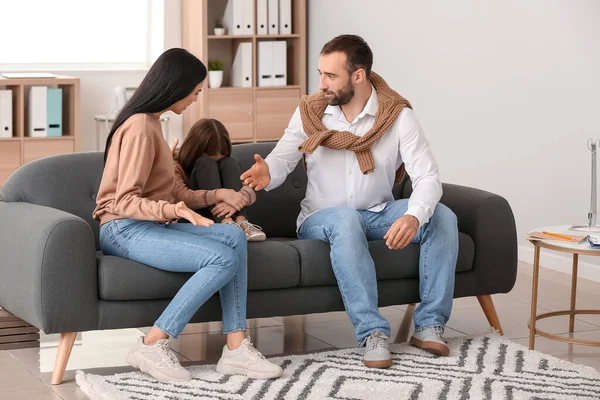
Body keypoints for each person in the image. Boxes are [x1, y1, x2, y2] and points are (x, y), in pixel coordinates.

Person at [241, 35, 459, 368]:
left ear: (358, 76)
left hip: (378, 213)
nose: (321, 84)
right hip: (322, 218)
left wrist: (414, 216)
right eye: (320, 73)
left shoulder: (397, 117)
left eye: (330, 76)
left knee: (441, 216)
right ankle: (372, 333)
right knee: (345, 218)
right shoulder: (311, 112)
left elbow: (427, 177)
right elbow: (283, 160)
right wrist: (267, 172)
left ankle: (430, 324)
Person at [93, 48, 282, 382]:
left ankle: (236, 349)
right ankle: (152, 343)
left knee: (234, 235)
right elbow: (124, 201)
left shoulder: (152, 123)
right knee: (222, 259)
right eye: (195, 91)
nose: (196, 98)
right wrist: (173, 210)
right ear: (176, 86)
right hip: (123, 228)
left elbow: (171, 191)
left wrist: (213, 195)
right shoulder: (139, 127)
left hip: (147, 225)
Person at [171, 118, 266, 241]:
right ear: (194, 151)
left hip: (225, 216)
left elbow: (247, 188)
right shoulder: (174, 165)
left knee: (229, 163)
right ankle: (226, 222)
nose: (215, 165)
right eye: (211, 160)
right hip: (194, 217)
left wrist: (237, 199)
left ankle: (241, 222)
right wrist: (218, 194)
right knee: (205, 165)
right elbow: (181, 196)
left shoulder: (225, 163)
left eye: (218, 161)